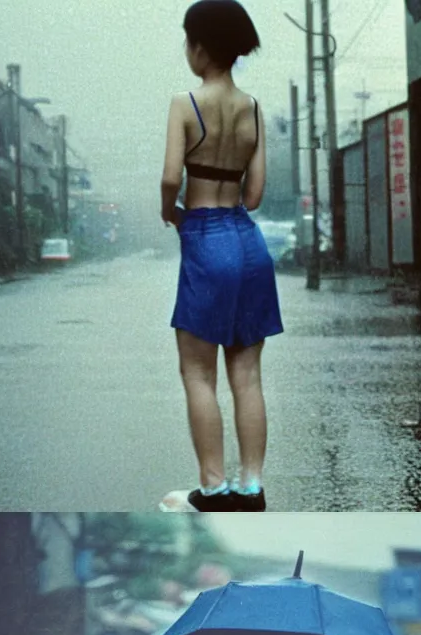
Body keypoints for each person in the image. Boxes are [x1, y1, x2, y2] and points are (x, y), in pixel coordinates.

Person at [159, 0, 282, 512]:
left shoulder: (184, 104)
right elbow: (254, 195)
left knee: (198, 374)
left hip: (206, 239)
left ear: (200, 46)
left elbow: (171, 177)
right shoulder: (252, 108)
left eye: (189, 41)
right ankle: (250, 488)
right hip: (249, 243)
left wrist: (173, 211)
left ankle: (212, 489)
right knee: (248, 377)